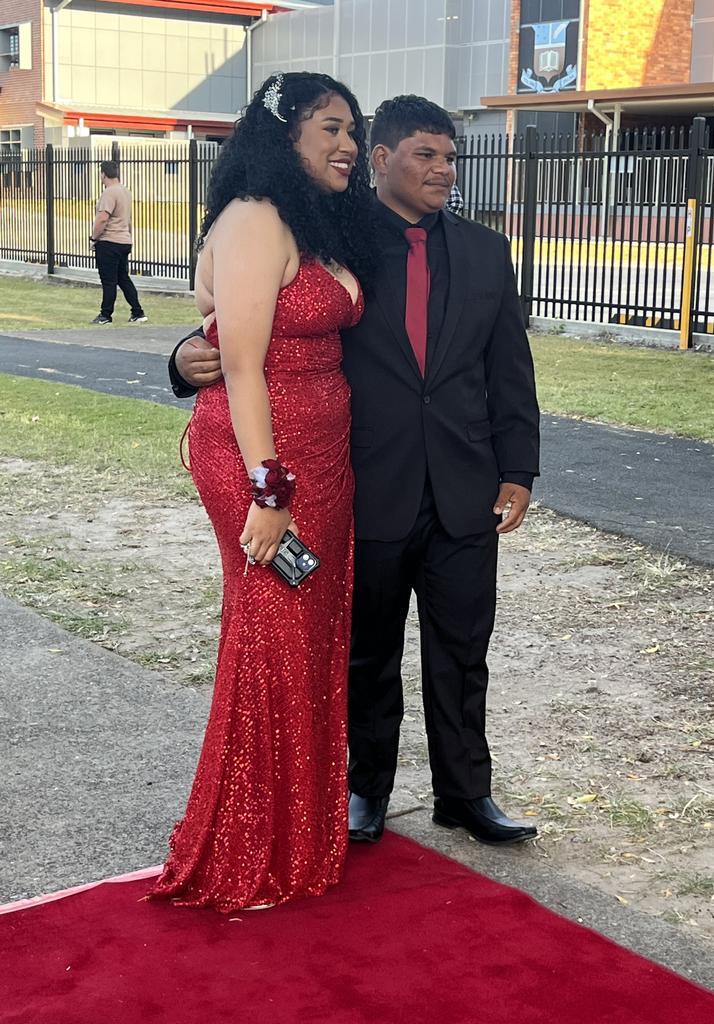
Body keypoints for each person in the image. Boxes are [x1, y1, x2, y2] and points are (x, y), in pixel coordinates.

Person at [170, 95, 540, 850]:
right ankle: (365, 790)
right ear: (383, 159)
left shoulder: (484, 251)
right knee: (367, 651)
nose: (444, 170)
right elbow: (253, 328)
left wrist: (519, 469)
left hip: (466, 487)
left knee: (464, 650)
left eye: (450, 156)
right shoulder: (334, 235)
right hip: (366, 483)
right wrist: (180, 362)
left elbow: (510, 369)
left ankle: (466, 794)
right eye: (425, 155)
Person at [149, 72, 375, 913]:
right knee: (272, 633)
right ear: (284, 136)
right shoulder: (253, 217)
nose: (347, 144)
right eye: (330, 127)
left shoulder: (312, 223)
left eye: (354, 128)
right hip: (262, 461)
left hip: (324, 459)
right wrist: (269, 490)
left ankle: (297, 830)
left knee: (310, 634)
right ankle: (246, 843)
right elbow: (240, 365)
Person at [89, 161, 147, 325]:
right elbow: (128, 219)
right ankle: (138, 312)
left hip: (109, 241)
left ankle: (105, 315)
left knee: (108, 281)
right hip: (123, 241)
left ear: (103, 174)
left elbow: (102, 219)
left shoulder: (109, 193)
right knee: (123, 278)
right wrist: (129, 237)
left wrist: (94, 238)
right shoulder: (125, 192)